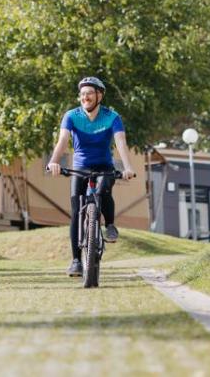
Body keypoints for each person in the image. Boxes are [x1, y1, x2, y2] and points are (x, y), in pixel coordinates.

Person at [45, 76, 137, 277]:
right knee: (76, 211)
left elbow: (120, 142)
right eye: (82, 94)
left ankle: (109, 225)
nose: (85, 97)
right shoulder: (71, 116)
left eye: (89, 93)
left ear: (99, 96)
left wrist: (128, 167)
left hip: (104, 165)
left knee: (103, 191)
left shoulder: (112, 117)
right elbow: (63, 140)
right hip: (80, 167)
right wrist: (54, 162)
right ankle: (76, 261)